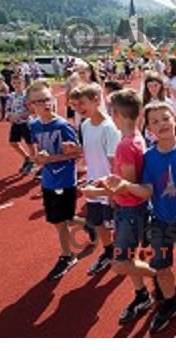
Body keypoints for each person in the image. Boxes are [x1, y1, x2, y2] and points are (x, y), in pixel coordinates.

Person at [104, 102, 176, 334]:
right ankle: (171, 303)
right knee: (161, 267)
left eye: (165, 118)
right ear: (148, 128)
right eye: (155, 121)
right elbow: (148, 190)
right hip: (159, 221)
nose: (161, 124)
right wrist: (125, 185)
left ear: (175, 119)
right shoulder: (148, 157)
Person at [100, 89, 158, 324]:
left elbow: (129, 184)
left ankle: (159, 275)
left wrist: (104, 188)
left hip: (130, 210)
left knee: (120, 264)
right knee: (129, 256)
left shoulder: (125, 145)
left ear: (117, 115)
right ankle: (141, 294)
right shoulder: (136, 137)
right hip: (131, 208)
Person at [27, 80, 81, 281]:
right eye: (39, 101)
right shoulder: (34, 125)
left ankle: (67, 256)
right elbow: (36, 152)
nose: (46, 104)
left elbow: (77, 154)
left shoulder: (63, 125)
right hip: (48, 180)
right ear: (31, 105)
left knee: (59, 221)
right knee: (61, 218)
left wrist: (50, 158)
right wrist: (37, 158)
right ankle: (90, 225)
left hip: (65, 179)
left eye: (48, 99)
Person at [67, 84, 121, 275]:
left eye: (82, 103)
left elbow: (115, 163)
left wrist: (112, 192)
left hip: (108, 188)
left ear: (96, 99)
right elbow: (90, 152)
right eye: (74, 106)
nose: (79, 108)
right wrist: (76, 151)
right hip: (93, 185)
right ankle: (108, 252)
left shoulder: (109, 128)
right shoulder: (85, 125)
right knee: (98, 224)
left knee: (116, 226)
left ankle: (126, 258)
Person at [6, 74, 35, 175]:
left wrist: (19, 115)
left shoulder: (26, 96)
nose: (17, 85)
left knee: (30, 143)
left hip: (26, 123)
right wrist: (9, 116)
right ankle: (27, 157)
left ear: (24, 83)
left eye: (19, 83)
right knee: (13, 142)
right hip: (16, 124)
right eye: (14, 83)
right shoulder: (11, 96)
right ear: (11, 83)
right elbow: (9, 108)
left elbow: (32, 111)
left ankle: (33, 162)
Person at [141, 72, 174, 146]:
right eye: (150, 86)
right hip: (149, 138)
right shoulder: (144, 102)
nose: (153, 88)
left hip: (164, 136)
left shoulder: (167, 102)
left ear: (161, 85)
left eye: (155, 85)